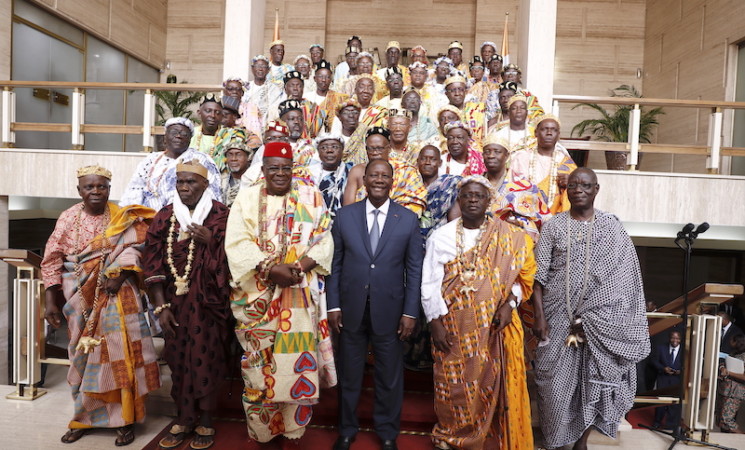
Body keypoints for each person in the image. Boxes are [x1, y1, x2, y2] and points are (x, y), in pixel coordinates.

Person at [225, 141, 337, 443]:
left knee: (295, 367)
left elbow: (325, 238)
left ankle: (292, 432)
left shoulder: (311, 196)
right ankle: (264, 435)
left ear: (293, 170)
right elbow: (236, 242)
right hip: (257, 301)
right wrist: (269, 269)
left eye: (285, 169)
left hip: (298, 301)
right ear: (263, 170)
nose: (280, 174)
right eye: (273, 168)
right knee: (258, 372)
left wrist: (299, 266)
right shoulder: (247, 198)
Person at [41, 165, 160, 446]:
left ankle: (125, 420)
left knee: (121, 353)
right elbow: (51, 259)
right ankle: (84, 418)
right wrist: (50, 301)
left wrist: (120, 275)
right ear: (79, 190)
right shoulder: (68, 217)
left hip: (117, 295)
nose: (96, 191)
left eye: (102, 186)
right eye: (89, 187)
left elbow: (137, 248)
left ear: (109, 188)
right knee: (82, 358)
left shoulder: (121, 217)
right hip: (77, 296)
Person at [532, 168, 650, 450]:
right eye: (573, 185)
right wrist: (539, 317)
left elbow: (625, 279)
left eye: (585, 185)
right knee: (554, 387)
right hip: (557, 319)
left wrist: (599, 315)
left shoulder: (612, 227)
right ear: (566, 190)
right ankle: (557, 442)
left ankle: (581, 442)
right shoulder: (553, 226)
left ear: (596, 189)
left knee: (593, 384)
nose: (579, 189)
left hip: (602, 324)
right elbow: (537, 278)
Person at [421, 175, 536, 449]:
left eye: (478, 196)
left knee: (486, 380)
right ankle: (450, 434)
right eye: (467, 196)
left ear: (488, 201)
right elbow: (429, 282)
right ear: (459, 201)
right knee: (450, 382)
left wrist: (510, 305)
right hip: (451, 327)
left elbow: (523, 279)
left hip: (491, 328)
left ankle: (480, 435)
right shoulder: (442, 235)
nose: (472, 200)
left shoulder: (510, 238)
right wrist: (434, 322)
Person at [328, 159, 424, 450]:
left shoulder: (407, 219)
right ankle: (346, 430)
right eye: (374, 175)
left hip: (391, 312)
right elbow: (335, 264)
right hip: (350, 310)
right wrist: (333, 306)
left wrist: (410, 311)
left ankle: (387, 433)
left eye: (385, 176)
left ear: (392, 181)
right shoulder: (345, 216)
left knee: (389, 377)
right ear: (364, 180)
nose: (379, 180)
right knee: (350, 375)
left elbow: (414, 270)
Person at [143, 161, 232, 450]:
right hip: (174, 304)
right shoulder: (166, 217)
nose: (184, 187)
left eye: (191, 182)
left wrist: (212, 242)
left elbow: (237, 257)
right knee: (179, 359)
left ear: (205, 184)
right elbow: (153, 261)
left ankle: (206, 419)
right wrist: (160, 307)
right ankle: (183, 418)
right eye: (180, 182)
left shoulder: (222, 215)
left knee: (207, 359)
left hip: (209, 305)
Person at [119, 117, 221, 211]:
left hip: (182, 217)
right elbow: (135, 188)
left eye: (184, 134)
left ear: (190, 139)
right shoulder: (151, 160)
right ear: (165, 137)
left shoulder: (201, 160)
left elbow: (212, 193)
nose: (178, 136)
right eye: (174, 132)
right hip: (145, 218)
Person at [343, 127, 427, 217]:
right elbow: (348, 208)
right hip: (361, 221)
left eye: (380, 148)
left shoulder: (406, 171)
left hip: (398, 223)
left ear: (389, 148)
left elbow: (415, 205)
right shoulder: (357, 171)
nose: (375, 152)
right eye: (371, 148)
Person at [510, 115, 577, 215]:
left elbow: (579, 191)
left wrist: (571, 184)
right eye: (544, 129)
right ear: (536, 133)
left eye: (554, 130)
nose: (549, 133)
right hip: (524, 215)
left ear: (558, 135)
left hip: (555, 218)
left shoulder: (565, 162)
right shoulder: (521, 158)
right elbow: (510, 188)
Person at [482, 136, 545, 239]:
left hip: (514, 241)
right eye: (487, 152)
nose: (491, 156)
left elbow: (541, 220)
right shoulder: (474, 183)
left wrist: (520, 223)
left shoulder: (523, 186)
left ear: (507, 156)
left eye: (497, 152)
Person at [417, 145, 460, 239]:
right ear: (417, 161)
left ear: (440, 163)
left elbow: (454, 224)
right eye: (423, 159)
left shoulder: (449, 186)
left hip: (441, 241)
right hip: (414, 242)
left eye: (433, 159)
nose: (427, 163)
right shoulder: (410, 187)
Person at [309, 132, 353, 219]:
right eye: (324, 147)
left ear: (342, 150)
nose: (329, 150)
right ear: (318, 151)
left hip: (342, 222)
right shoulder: (309, 173)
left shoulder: (351, 171)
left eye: (335, 147)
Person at [305, 60, 349, 133]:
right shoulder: (307, 97)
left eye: (327, 77)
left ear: (331, 80)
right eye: (320, 77)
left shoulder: (339, 98)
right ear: (314, 78)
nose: (323, 80)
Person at [652, 331, 683, 430]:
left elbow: (689, 364)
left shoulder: (685, 350)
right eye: (673, 338)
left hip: (677, 380)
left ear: (680, 339)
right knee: (661, 401)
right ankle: (657, 422)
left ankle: (671, 424)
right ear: (669, 338)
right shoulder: (661, 347)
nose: (675, 340)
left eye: (677, 338)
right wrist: (663, 368)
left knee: (674, 403)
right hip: (663, 378)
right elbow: (654, 361)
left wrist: (681, 371)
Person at [445, 75, 487, 145]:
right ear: (446, 94)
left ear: (466, 92)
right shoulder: (444, 113)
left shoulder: (477, 109)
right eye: (452, 90)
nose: (457, 93)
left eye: (461, 90)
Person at [244, 55, 283, 128]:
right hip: (248, 126)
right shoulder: (246, 88)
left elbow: (275, 110)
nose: (260, 69)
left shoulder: (274, 89)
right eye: (258, 66)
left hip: (267, 126)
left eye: (264, 66)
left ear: (268, 70)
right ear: (252, 68)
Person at [717, 333, 745, 433]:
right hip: (725, 389)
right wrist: (722, 368)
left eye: (731, 340)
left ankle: (742, 439)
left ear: (738, 342)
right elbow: (723, 363)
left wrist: (729, 372)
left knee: (727, 420)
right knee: (721, 420)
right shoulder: (733, 353)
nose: (729, 342)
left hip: (735, 392)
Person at [221, 135, 254, 207]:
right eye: (230, 155)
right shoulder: (221, 181)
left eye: (238, 155)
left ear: (248, 158)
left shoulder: (254, 181)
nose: (233, 159)